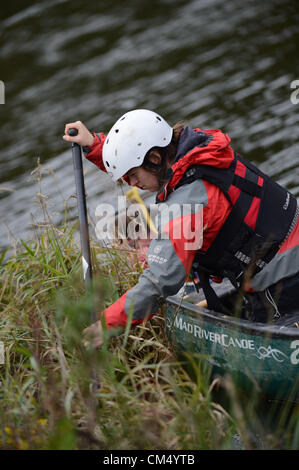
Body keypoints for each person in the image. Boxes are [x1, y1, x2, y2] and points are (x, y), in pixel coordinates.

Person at [63, 109, 299, 348]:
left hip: (284, 282)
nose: (132, 184)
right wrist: (94, 145)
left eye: (133, 175)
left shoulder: (187, 203)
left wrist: (105, 325)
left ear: (154, 158)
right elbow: (136, 152)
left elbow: (159, 282)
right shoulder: (196, 148)